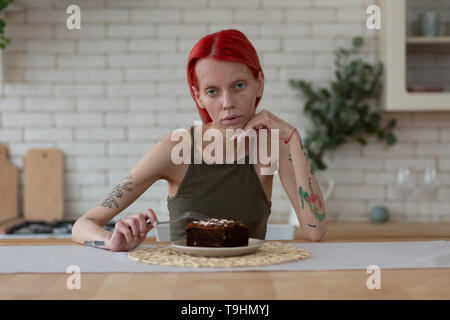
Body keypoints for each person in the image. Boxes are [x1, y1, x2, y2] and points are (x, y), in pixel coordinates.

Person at [72, 29, 327, 252]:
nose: (227, 104)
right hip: (183, 285)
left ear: (259, 84)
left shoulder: (274, 146)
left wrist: (294, 139)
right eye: (212, 91)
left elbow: (315, 230)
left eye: (239, 85)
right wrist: (111, 240)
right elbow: (83, 225)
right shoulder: (175, 148)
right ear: (199, 96)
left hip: (253, 282)